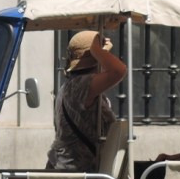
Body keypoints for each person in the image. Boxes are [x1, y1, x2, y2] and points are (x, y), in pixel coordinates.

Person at [46, 30, 127, 171]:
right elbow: (118, 71)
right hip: (76, 174)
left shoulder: (74, 86)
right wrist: (97, 49)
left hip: (79, 171)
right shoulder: (79, 86)